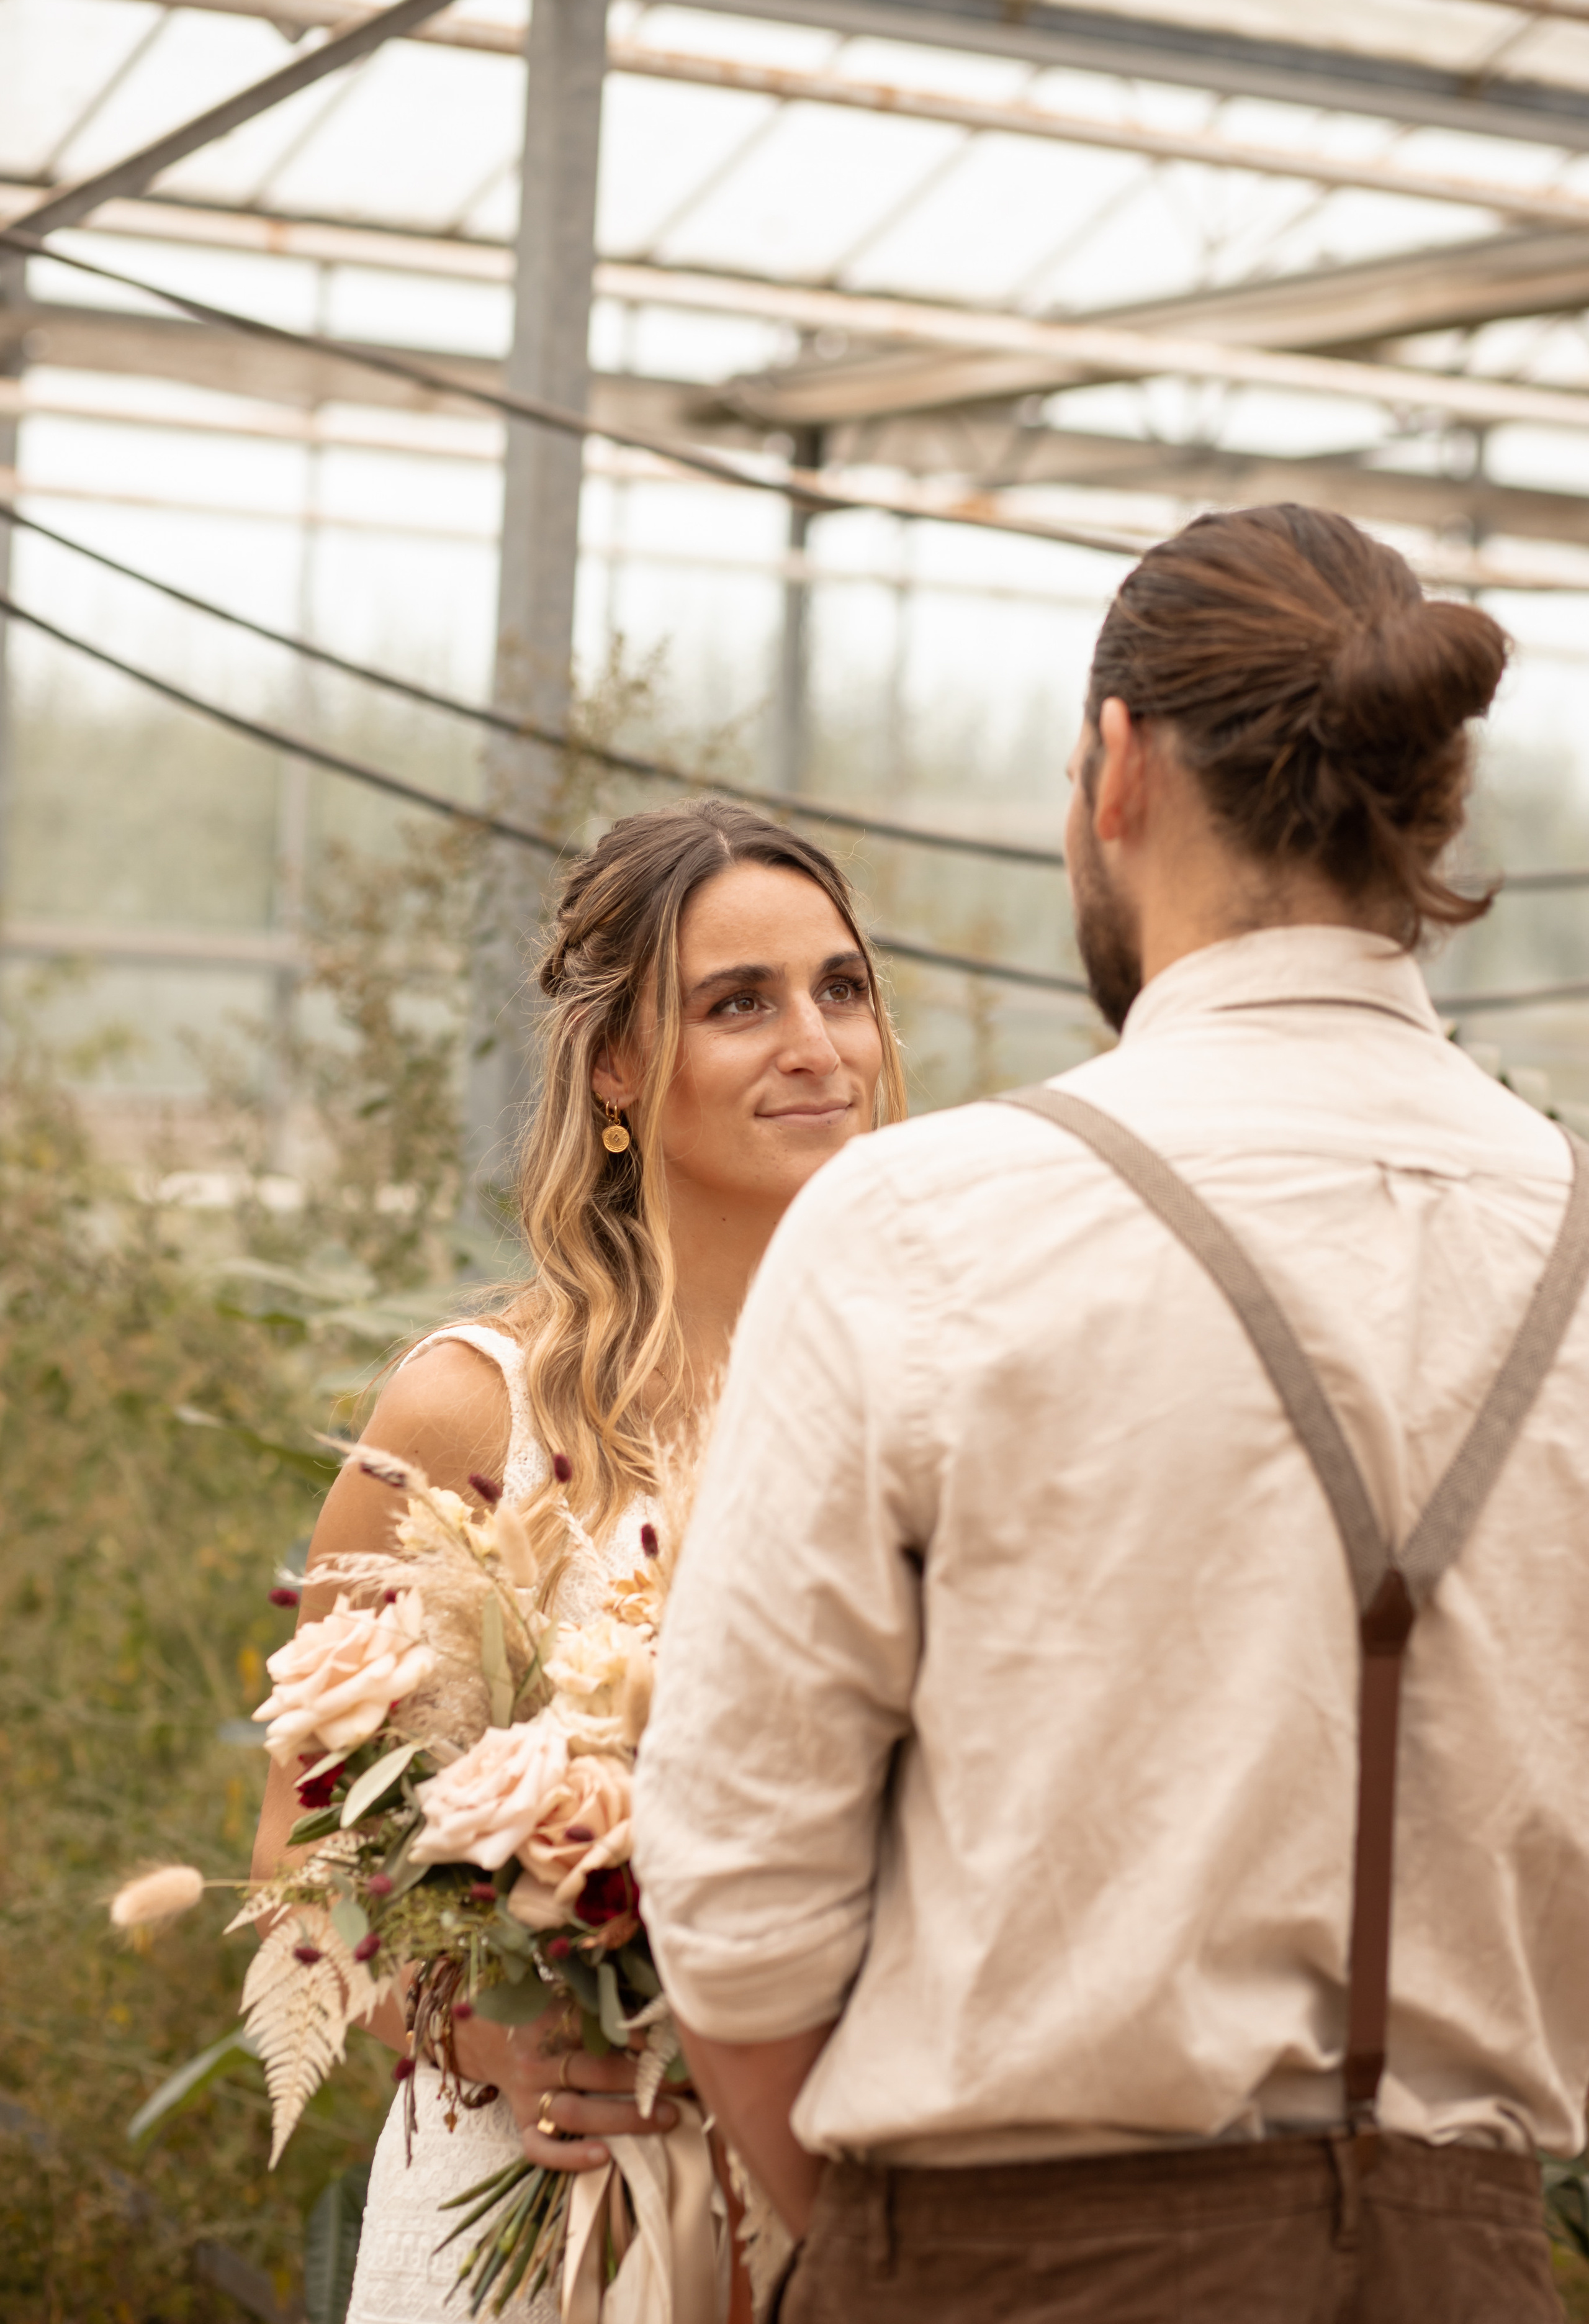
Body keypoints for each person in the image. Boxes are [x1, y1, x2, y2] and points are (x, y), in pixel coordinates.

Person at [632, 505, 1589, 2322]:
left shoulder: (926, 1222)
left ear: (1117, 769)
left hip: (1013, 2259)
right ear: (1433, 797)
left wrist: (891, 2247)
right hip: (1474, 2268)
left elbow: (739, 1895)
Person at [250, 797, 906, 2324]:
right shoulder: (470, 1405)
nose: (816, 1043)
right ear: (617, 1065)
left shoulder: (926, 1395)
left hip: (838, 2209)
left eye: (842, 988)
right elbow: (296, 1861)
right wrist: (488, 2035)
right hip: (548, 2216)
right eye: (738, 1004)